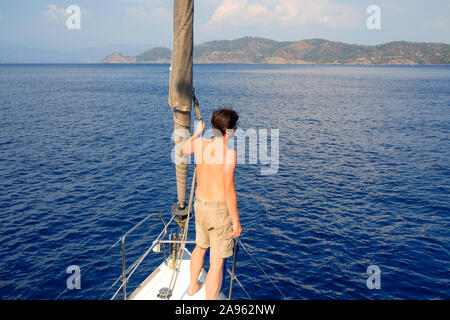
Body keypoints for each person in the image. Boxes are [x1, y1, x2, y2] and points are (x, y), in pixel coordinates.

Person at [180, 107, 242, 300]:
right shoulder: (229, 155)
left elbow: (182, 150)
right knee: (216, 261)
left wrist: (197, 132)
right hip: (218, 210)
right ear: (230, 130)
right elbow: (228, 190)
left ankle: (192, 287)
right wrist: (236, 220)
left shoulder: (200, 145)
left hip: (200, 205)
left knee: (200, 247)